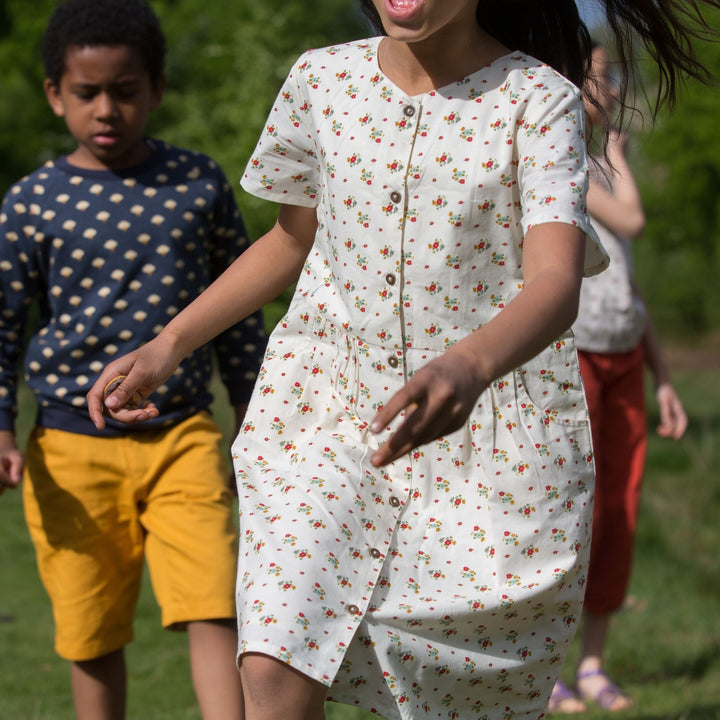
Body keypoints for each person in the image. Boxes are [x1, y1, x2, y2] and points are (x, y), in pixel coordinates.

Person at [85, 1, 716, 718]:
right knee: (272, 657)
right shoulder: (321, 81)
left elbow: (554, 281)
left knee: (462, 694)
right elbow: (291, 242)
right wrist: (170, 342)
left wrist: (470, 366)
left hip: (482, 441)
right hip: (323, 412)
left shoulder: (539, 100)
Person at [0, 1, 266, 718]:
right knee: (91, 631)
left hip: (184, 434)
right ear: (57, 94)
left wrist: (255, 417)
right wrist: (1, 424)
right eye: (87, 93)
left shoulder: (199, 185)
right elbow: (3, 322)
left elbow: (239, 318)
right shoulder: (31, 202)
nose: (107, 109)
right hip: (69, 448)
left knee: (214, 602)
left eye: (126, 90)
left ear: (157, 88)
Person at [547, 43, 688, 714]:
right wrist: (622, 159)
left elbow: (627, 284)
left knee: (617, 510)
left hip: (624, 357)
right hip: (569, 357)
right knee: (562, 515)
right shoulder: (564, 159)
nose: (613, 90)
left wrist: (662, 375)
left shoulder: (599, 164)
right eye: (604, 78)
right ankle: (543, 668)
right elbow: (631, 217)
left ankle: (595, 664)